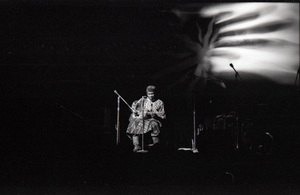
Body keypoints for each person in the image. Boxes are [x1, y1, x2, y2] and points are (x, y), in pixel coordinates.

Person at [126, 85, 166, 152]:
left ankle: (156, 145)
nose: (151, 96)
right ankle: (136, 145)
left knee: (154, 124)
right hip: (143, 119)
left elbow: (163, 115)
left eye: (152, 94)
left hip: (153, 119)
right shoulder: (142, 100)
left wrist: (154, 113)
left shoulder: (159, 102)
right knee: (135, 123)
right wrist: (136, 112)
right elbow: (135, 107)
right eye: (149, 94)